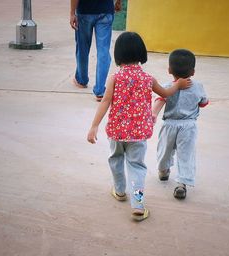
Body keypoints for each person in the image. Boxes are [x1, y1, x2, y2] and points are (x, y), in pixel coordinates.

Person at [87, 32, 191, 221]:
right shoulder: (148, 79)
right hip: (138, 134)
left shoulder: (114, 78)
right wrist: (178, 84)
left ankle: (119, 191)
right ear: (142, 53)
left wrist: (94, 126)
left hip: (117, 132)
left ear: (118, 55)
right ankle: (138, 203)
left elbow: (105, 102)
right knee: (137, 167)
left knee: (115, 159)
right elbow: (166, 93)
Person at [151, 49, 209, 200]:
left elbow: (160, 100)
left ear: (169, 70)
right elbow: (203, 103)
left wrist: (154, 114)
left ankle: (163, 170)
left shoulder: (167, 86)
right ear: (193, 71)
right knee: (186, 154)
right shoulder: (198, 87)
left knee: (164, 149)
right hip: (189, 126)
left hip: (169, 124)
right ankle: (182, 184)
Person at [70, 0, 122, 102]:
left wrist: (72, 13)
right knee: (103, 51)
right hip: (105, 11)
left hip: (84, 12)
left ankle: (81, 80)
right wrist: (118, 2)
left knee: (82, 48)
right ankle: (100, 90)